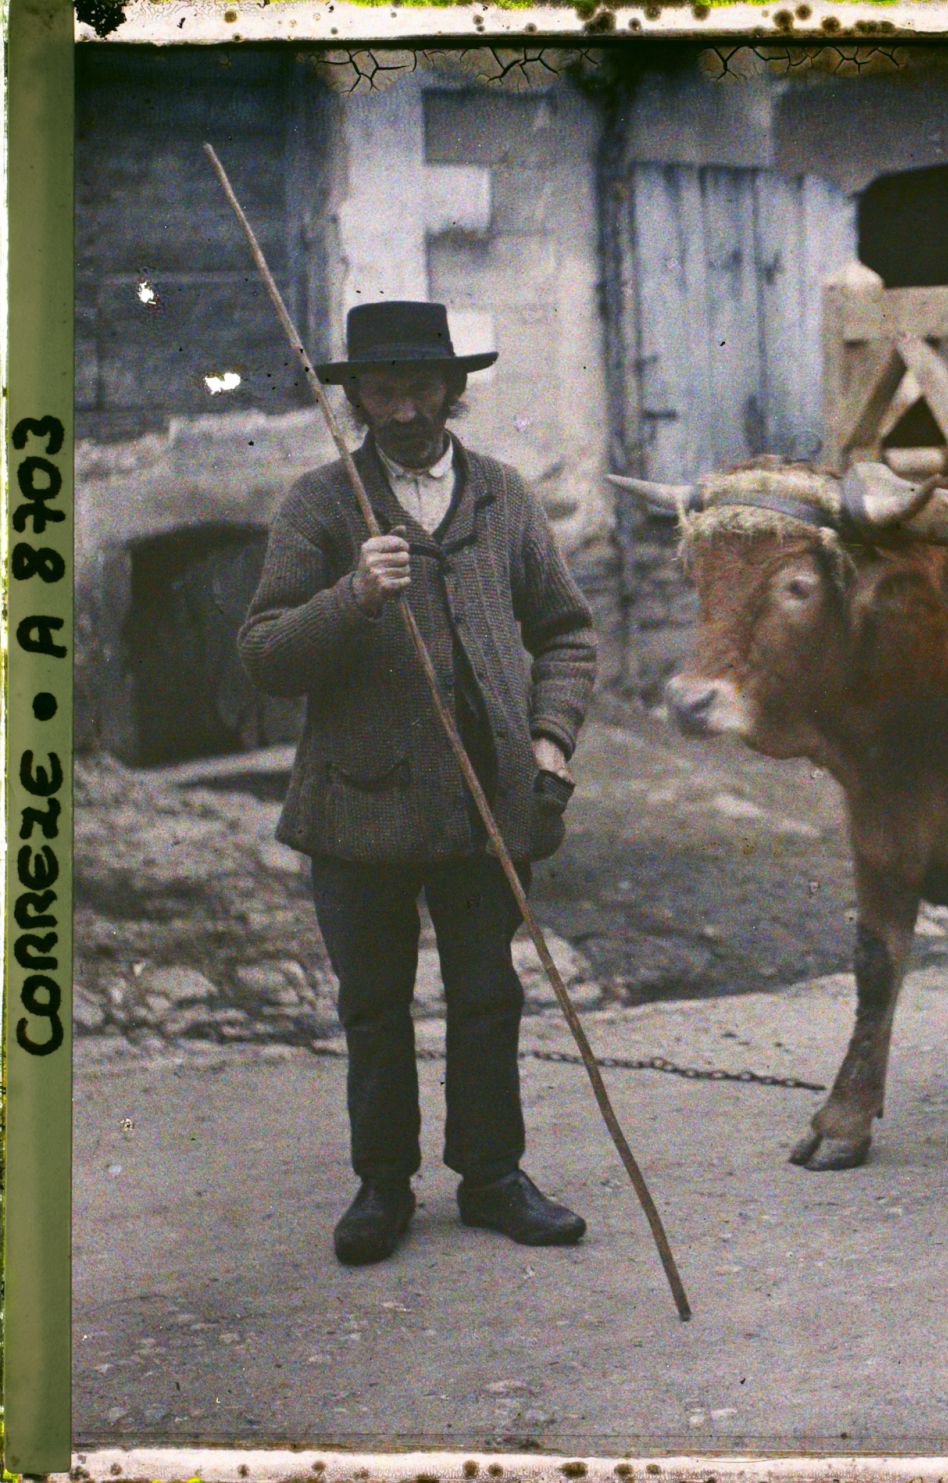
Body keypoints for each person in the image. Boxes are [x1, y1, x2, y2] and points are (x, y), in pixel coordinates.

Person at [239, 300, 598, 1267]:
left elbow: (565, 632)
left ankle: (491, 1177)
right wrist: (354, 594)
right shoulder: (323, 503)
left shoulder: (506, 496)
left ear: (453, 390)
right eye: (383, 387)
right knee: (374, 1003)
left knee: (488, 993)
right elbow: (267, 655)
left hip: (491, 802)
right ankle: (381, 1187)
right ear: (355, 396)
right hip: (360, 806)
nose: (404, 407)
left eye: (422, 385)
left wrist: (553, 741)